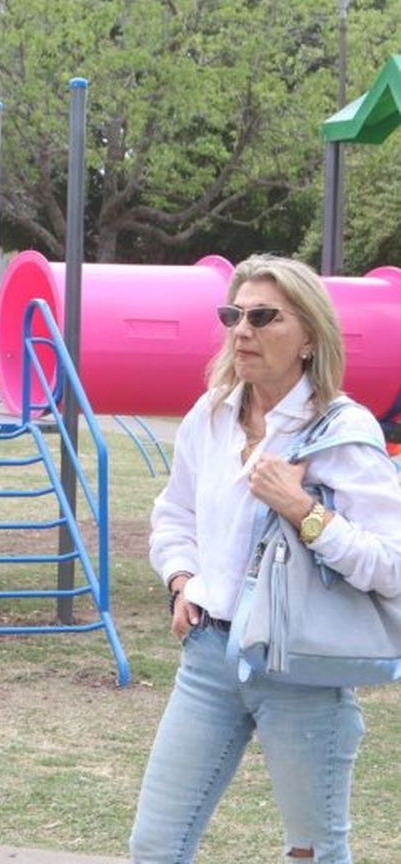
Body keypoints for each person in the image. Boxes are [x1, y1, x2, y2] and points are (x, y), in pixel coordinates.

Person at [129, 255, 401, 863]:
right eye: (233, 315)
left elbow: (391, 563)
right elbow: (174, 516)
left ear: (308, 336)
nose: (241, 330)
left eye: (262, 316)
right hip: (208, 658)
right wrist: (181, 579)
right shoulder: (213, 413)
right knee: (155, 843)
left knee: (314, 854)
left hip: (302, 665)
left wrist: (304, 510)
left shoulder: (344, 432)